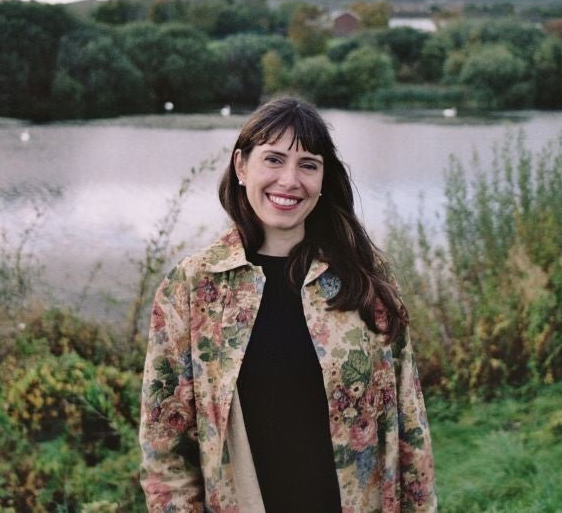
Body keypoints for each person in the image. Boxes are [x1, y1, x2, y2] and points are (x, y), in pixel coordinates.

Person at [139, 97, 436, 512]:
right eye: (274, 160)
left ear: (323, 178)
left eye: (308, 165)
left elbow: (410, 423)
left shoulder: (364, 278)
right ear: (241, 167)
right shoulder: (192, 287)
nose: (290, 180)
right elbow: (164, 446)